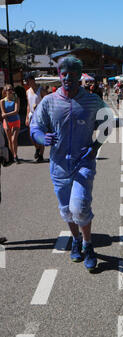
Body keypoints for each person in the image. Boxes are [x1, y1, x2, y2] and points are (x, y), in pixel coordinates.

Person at [30, 56, 113, 271]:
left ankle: (88, 244)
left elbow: (109, 121)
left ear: (80, 75)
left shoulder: (92, 101)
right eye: (63, 73)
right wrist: (41, 138)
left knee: (80, 206)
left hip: (83, 163)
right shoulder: (49, 101)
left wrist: (95, 147)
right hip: (58, 166)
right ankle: (75, 240)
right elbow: (35, 127)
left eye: (72, 73)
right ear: (59, 75)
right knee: (67, 210)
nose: (68, 77)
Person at [25, 73, 46, 162]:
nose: (27, 82)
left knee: (40, 135)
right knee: (31, 135)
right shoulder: (28, 91)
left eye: (28, 80)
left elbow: (47, 103)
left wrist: (40, 107)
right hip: (31, 115)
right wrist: (26, 116)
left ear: (33, 80)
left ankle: (41, 155)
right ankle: (37, 148)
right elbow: (28, 105)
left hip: (40, 116)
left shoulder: (41, 90)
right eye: (26, 81)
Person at [0, 85, 21, 163]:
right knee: (9, 140)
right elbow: (3, 113)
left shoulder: (16, 99)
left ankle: (15, 155)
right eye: (9, 89)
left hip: (16, 120)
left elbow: (16, 111)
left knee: (14, 139)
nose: (10, 91)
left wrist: (6, 115)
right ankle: (12, 155)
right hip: (7, 122)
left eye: (12, 89)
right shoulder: (2, 101)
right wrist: (6, 122)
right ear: (5, 91)